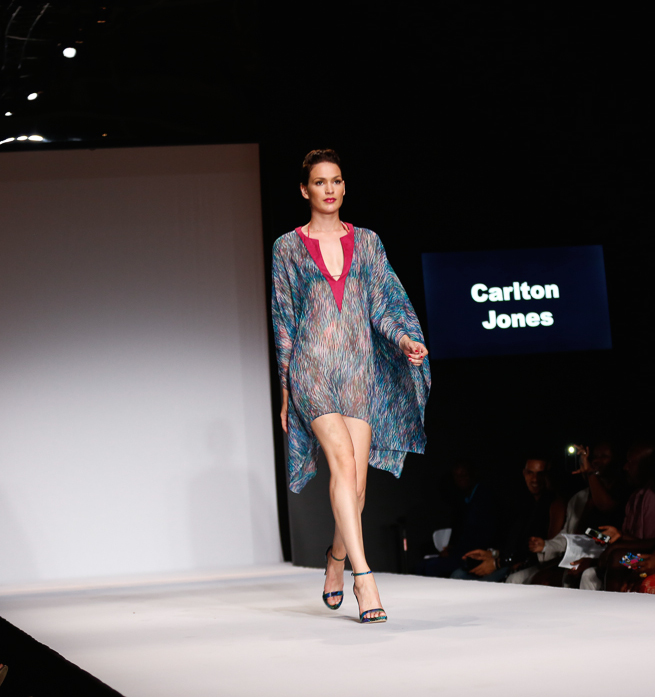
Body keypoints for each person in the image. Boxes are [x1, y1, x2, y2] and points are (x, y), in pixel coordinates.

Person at [271, 149, 430, 623]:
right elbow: (284, 322)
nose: (330, 189)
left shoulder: (369, 242)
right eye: (320, 182)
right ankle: (365, 578)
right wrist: (285, 391)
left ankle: (336, 558)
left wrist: (404, 339)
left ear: (344, 186)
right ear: (305, 190)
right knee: (341, 464)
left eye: (336, 180)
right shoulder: (287, 247)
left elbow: (384, 303)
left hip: (360, 371)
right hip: (312, 369)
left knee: (356, 486)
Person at [512, 440, 626, 587]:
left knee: (591, 573)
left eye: (604, 456)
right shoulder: (579, 498)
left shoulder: (624, 494)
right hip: (603, 557)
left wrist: (592, 559)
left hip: (630, 559)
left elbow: (607, 513)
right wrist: (546, 546)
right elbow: (575, 537)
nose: (596, 461)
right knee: (524, 579)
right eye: (594, 457)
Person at [454, 457, 566, 582]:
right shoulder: (525, 502)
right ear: (524, 473)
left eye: (540, 474)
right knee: (459, 574)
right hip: (508, 562)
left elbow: (548, 551)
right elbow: (515, 543)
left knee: (477, 583)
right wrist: (493, 554)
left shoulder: (555, 505)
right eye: (530, 473)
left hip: (526, 567)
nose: (535, 479)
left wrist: (498, 562)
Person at [417, 459, 499, 578]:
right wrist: (452, 548)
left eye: (463, 475)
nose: (460, 479)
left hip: (476, 554)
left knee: (431, 567)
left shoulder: (483, 498)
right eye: (456, 476)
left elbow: (479, 537)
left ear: (471, 475)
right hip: (463, 552)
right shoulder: (465, 499)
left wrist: (453, 551)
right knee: (422, 565)